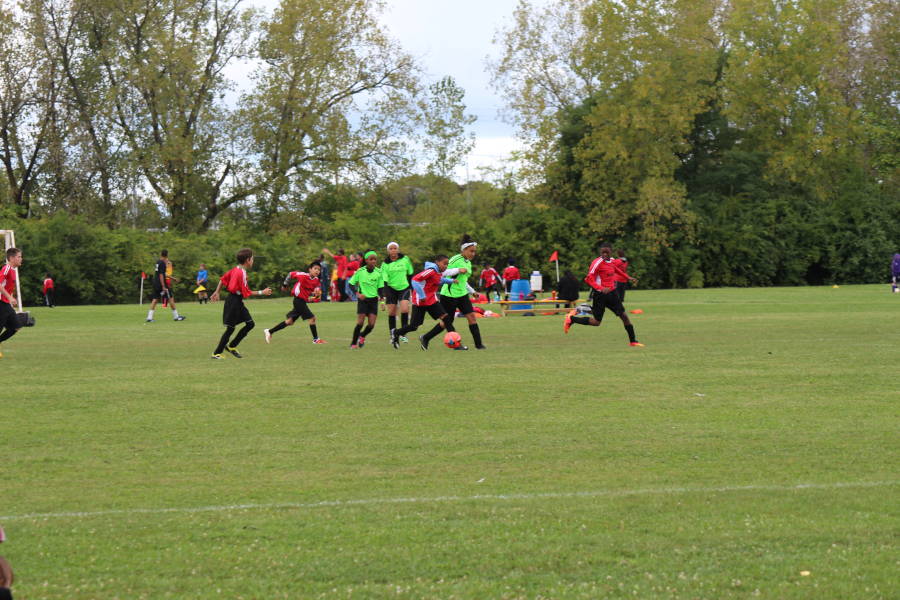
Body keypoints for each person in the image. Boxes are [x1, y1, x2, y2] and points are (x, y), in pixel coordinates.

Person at [564, 244, 642, 346]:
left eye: (607, 252)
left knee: (624, 316)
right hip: (600, 295)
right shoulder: (597, 263)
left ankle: (633, 341)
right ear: (600, 253)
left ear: (611, 252)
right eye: (603, 252)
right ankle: (572, 319)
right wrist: (600, 289)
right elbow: (588, 279)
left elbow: (615, 269)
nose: (605, 254)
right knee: (596, 322)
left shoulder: (612, 261)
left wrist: (627, 277)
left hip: (612, 293)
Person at [209, 248, 272, 359]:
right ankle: (216, 353)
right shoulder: (241, 273)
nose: (253, 261)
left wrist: (217, 291)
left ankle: (232, 346)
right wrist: (263, 292)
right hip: (233, 302)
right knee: (230, 329)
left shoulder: (236, 269)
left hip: (237, 301)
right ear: (248, 260)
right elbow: (246, 292)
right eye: (252, 258)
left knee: (250, 324)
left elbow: (222, 279)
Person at [392, 255, 460, 350]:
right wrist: (422, 295)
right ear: (437, 262)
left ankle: (455, 344)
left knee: (446, 318)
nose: (446, 266)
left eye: (447, 264)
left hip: (431, 300)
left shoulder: (438, 272)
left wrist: (451, 281)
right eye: (444, 263)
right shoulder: (431, 271)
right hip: (421, 300)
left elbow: (439, 280)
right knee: (414, 326)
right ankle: (396, 333)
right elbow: (415, 280)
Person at [440, 234, 486, 350]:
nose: (473, 254)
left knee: (472, 317)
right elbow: (442, 273)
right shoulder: (455, 259)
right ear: (464, 250)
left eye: (474, 251)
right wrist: (458, 270)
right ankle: (426, 337)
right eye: (471, 251)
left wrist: (472, 291)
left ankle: (479, 345)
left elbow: (462, 281)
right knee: (447, 321)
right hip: (449, 294)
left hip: (462, 294)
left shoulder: (468, 262)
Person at [264, 261, 326, 345]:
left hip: (302, 301)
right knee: (312, 318)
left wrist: (315, 297)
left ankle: (270, 331)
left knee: (289, 322)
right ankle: (316, 339)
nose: (317, 271)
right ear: (310, 269)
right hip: (298, 301)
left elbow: (313, 295)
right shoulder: (303, 275)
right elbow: (290, 274)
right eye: (315, 268)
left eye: (319, 270)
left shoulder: (316, 280)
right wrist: (285, 285)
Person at [348, 251, 382, 348]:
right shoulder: (360, 271)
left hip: (374, 300)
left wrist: (382, 300)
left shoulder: (379, 272)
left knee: (371, 324)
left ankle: (362, 335)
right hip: (363, 300)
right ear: (366, 260)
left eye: (375, 259)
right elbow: (351, 284)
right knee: (360, 322)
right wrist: (357, 294)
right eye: (371, 259)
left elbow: (381, 288)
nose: (373, 261)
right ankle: (353, 343)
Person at [381, 241, 414, 342]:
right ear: (388, 251)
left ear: (398, 250)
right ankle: (393, 334)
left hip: (404, 287)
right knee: (392, 312)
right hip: (391, 289)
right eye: (391, 249)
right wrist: (384, 294)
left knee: (405, 309)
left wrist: (411, 288)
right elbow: (384, 280)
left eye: (395, 248)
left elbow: (410, 273)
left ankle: (403, 334)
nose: (393, 250)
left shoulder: (405, 259)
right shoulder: (385, 264)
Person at [145, 250, 185, 322]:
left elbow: (163, 274)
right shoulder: (163, 263)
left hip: (155, 282)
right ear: (167, 255)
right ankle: (176, 317)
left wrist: (173, 278)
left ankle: (149, 317)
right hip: (161, 283)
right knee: (171, 299)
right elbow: (161, 275)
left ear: (161, 254)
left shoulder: (158, 262)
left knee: (155, 299)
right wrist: (163, 286)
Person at [0, 248, 24, 359]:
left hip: (5, 303)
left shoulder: (13, 270)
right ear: (12, 258)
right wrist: (9, 297)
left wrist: (11, 297)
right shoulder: (7, 268)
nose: (21, 259)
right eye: (19, 256)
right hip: (1, 303)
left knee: (16, 327)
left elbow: (6, 286)